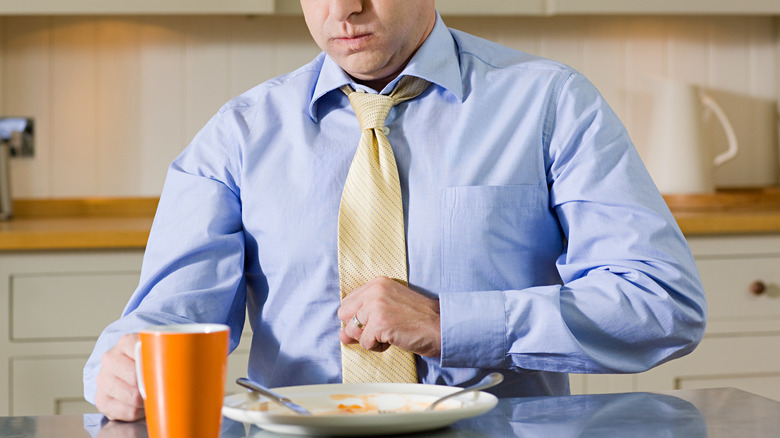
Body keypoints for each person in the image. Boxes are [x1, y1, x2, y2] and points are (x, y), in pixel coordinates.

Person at [84, 0, 707, 422]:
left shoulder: (549, 103)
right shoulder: (238, 135)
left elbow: (660, 303)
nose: (345, 7)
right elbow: (168, 318)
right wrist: (118, 366)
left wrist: (452, 323)